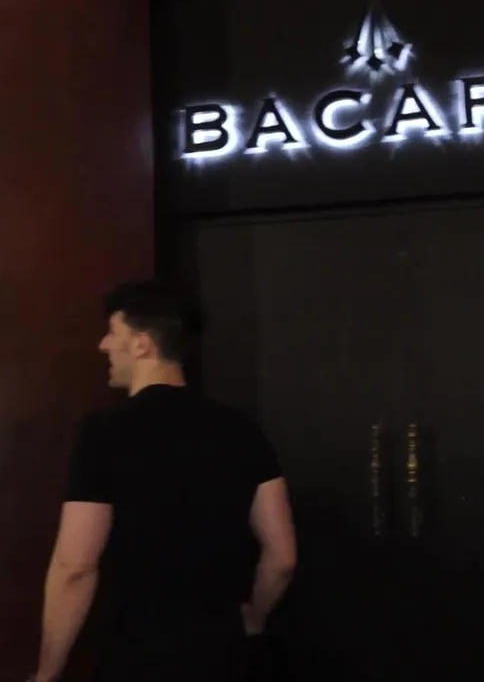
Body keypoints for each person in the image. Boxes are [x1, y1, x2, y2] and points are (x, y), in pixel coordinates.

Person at [30, 280, 297, 682]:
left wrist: (47, 673)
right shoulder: (242, 430)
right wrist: (253, 617)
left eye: (112, 332)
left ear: (142, 344)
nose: (103, 345)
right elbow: (282, 558)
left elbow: (75, 566)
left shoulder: (104, 431)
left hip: (136, 659)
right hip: (224, 658)